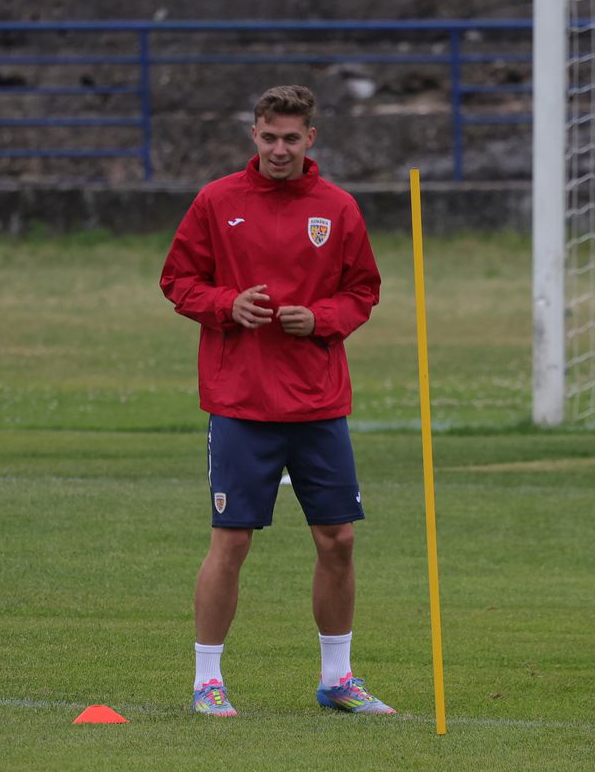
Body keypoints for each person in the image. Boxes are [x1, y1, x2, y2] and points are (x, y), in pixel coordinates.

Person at [160, 85, 394, 717]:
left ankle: (337, 678)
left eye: (292, 138)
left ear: (311, 138)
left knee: (338, 539)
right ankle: (207, 680)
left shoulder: (338, 208)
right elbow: (178, 280)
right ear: (253, 135)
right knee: (231, 542)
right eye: (269, 137)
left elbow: (363, 291)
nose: (280, 149)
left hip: (318, 403)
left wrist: (318, 319)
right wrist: (226, 305)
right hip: (241, 401)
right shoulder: (216, 201)